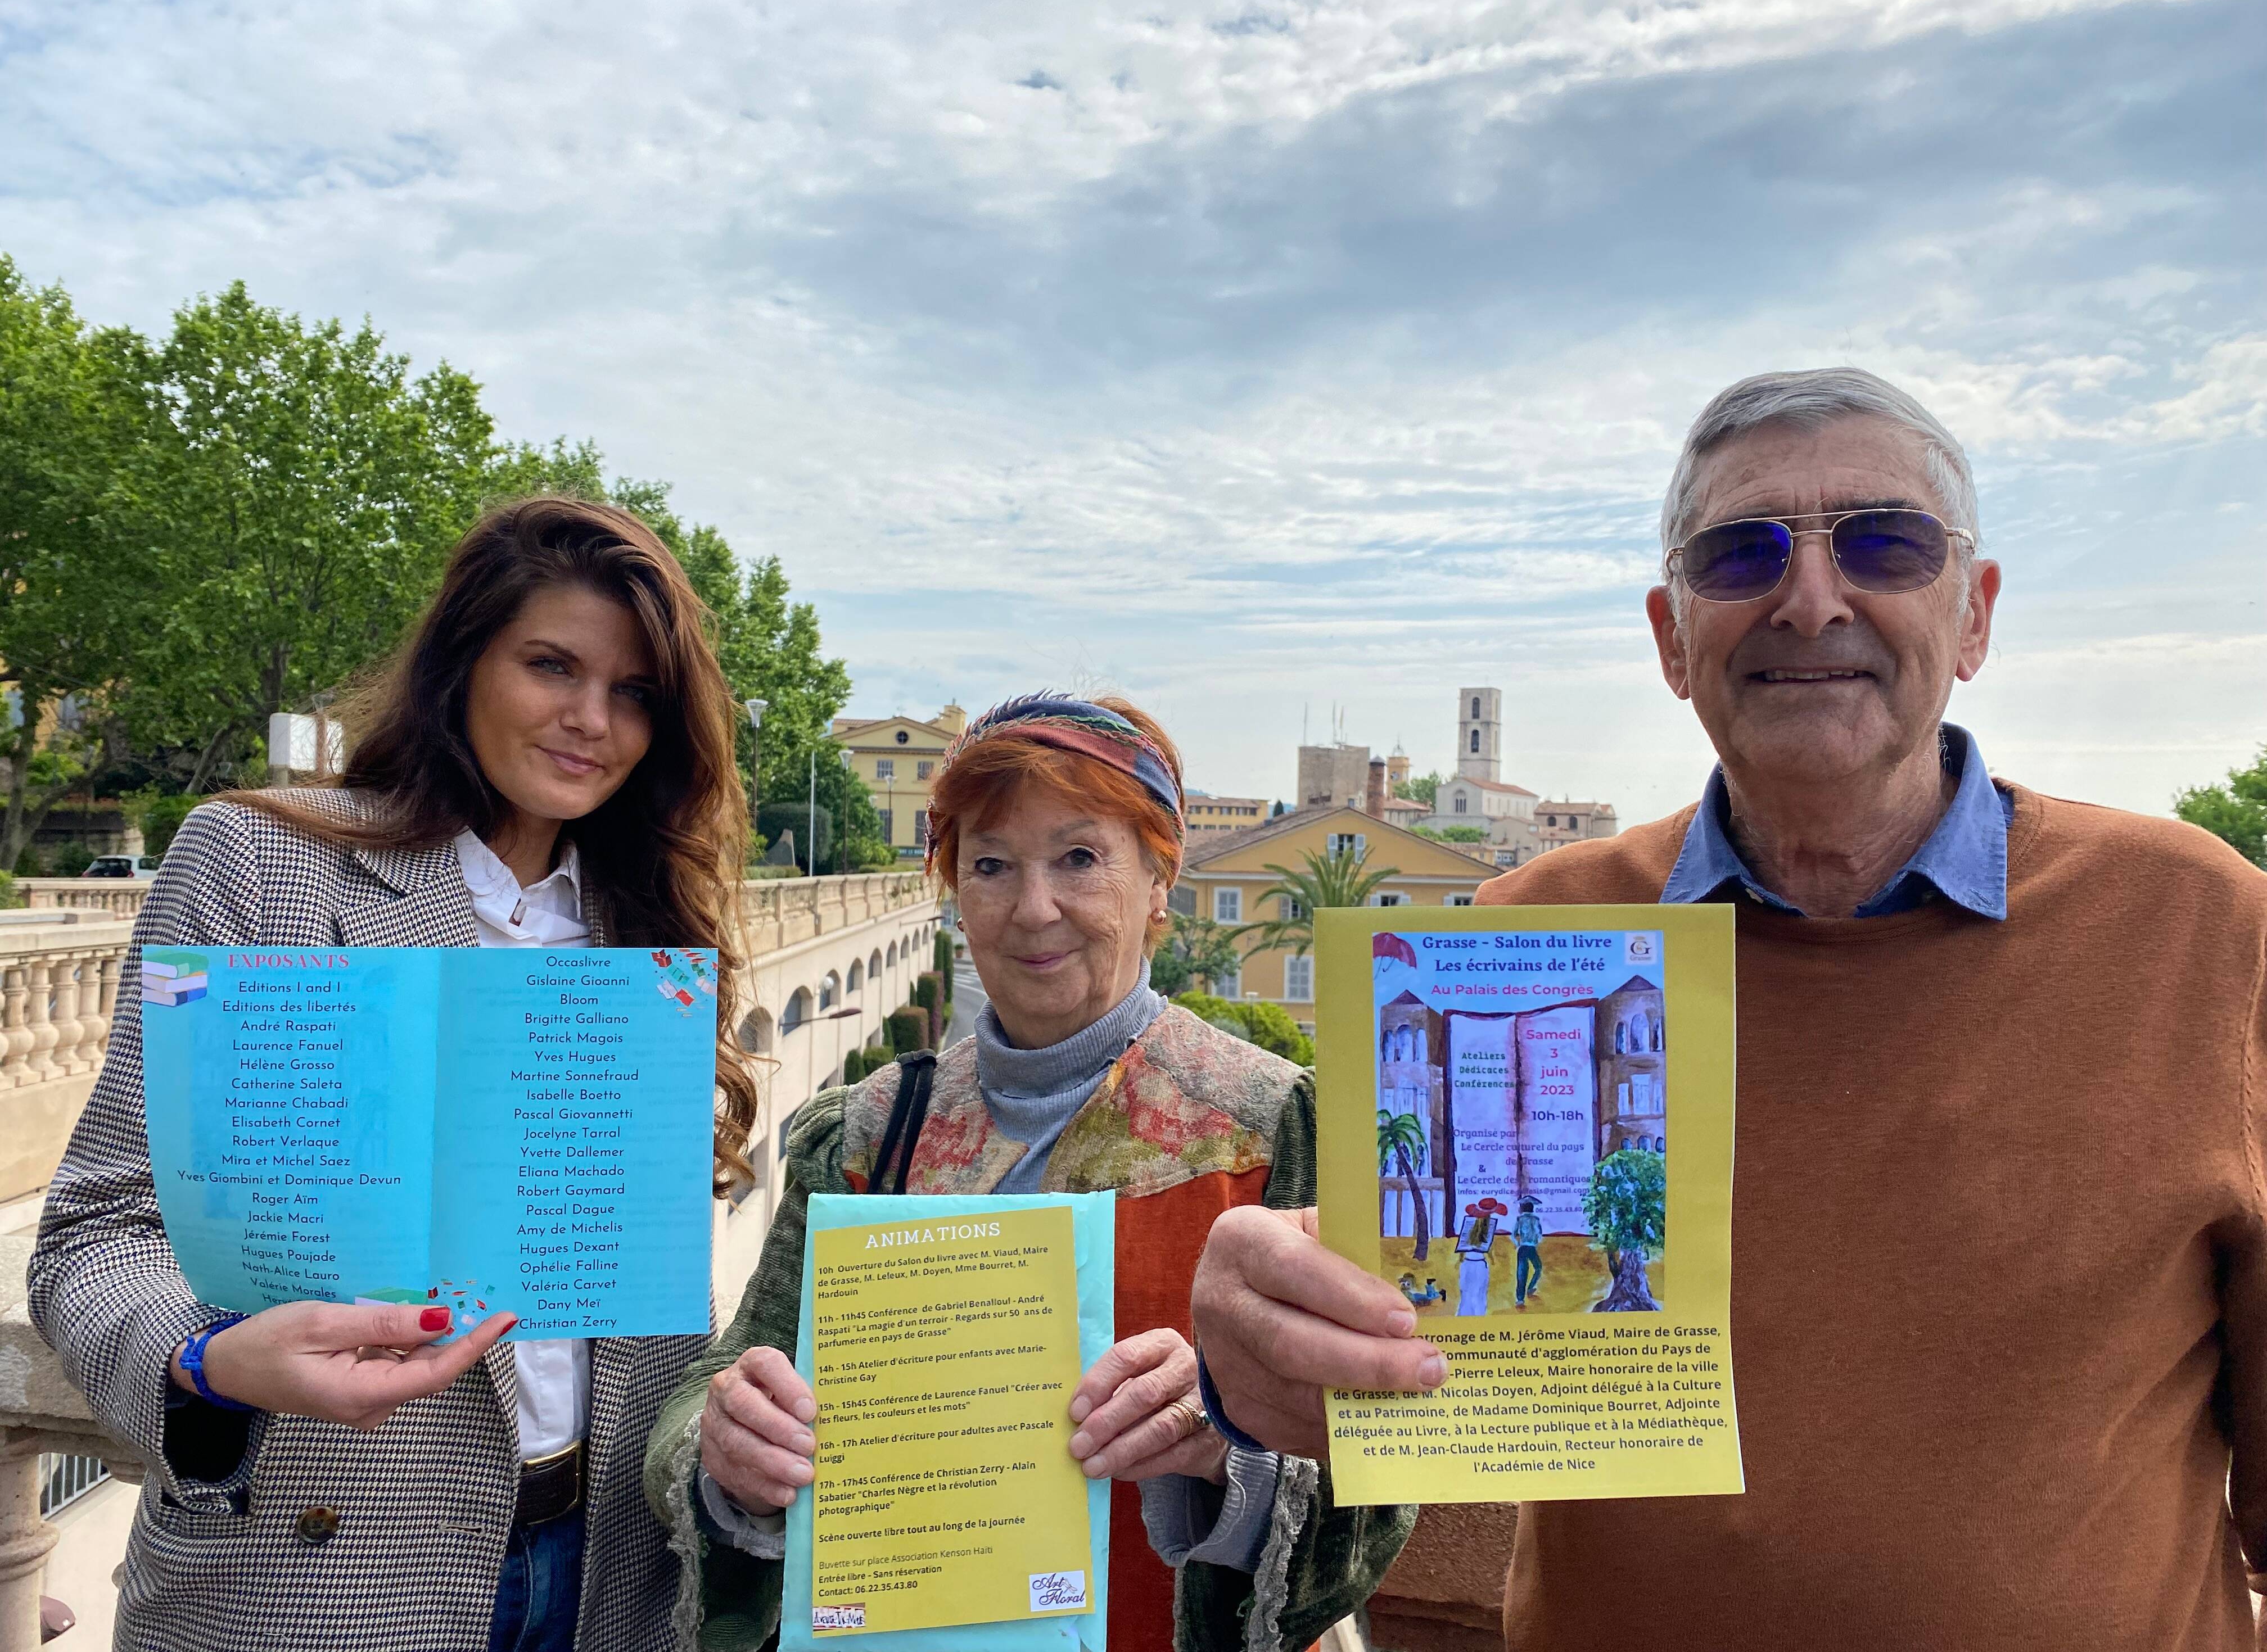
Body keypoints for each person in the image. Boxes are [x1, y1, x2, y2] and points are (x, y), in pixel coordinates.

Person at [1186, 368, 2267, 1649]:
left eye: (1885, 544)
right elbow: (1422, 1380)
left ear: (1973, 615)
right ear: (1671, 636)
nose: (1811, 598)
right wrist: (1274, 1347)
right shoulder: (1533, 929)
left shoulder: (2201, 925)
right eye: (1741, 553)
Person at [29, 497, 759, 1652]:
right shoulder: (262, 862)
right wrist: (205, 1358)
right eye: (551, 666)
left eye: (634, 693)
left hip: (606, 1575)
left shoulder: (646, 935)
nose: (591, 720)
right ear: (464, 661)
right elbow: (96, 1230)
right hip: (319, 1575)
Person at [644, 695, 1412, 1651]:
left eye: (1079, 858)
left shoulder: (1277, 1128)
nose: (1033, 907)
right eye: (991, 865)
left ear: (1160, 879)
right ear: (955, 890)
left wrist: (1230, 1443)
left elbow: (1383, 1471)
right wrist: (728, 1450)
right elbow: (713, 1386)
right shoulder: (868, 1133)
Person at [1509, 1197, 1543, 1309]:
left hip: (1523, 1248)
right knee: (1538, 1268)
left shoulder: (1520, 1219)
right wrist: (1536, 1242)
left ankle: (1520, 1299)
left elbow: (1513, 1235)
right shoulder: (1536, 1220)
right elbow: (1539, 1235)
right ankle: (1531, 1288)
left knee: (1522, 1274)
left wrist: (1518, 1244)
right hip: (1531, 1248)